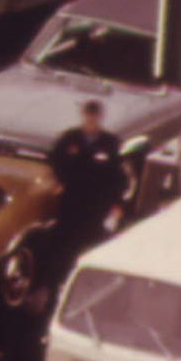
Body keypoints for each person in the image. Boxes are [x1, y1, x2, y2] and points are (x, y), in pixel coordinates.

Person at [46, 99, 131, 270]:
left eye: (95, 117)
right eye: (88, 116)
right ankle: (59, 283)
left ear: (101, 117)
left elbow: (120, 177)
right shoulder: (70, 139)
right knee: (65, 247)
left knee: (94, 245)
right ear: (83, 116)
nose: (91, 121)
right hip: (71, 202)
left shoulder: (111, 143)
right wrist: (60, 181)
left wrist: (117, 204)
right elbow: (54, 159)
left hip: (97, 205)